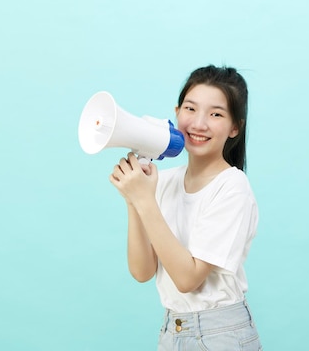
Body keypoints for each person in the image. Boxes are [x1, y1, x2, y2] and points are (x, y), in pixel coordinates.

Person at [109, 65, 262, 350]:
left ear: (235, 127)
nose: (199, 124)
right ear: (177, 112)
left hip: (219, 335)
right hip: (172, 331)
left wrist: (144, 200)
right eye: (190, 109)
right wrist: (134, 200)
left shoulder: (232, 186)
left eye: (215, 114)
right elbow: (142, 271)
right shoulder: (163, 182)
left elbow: (187, 278)